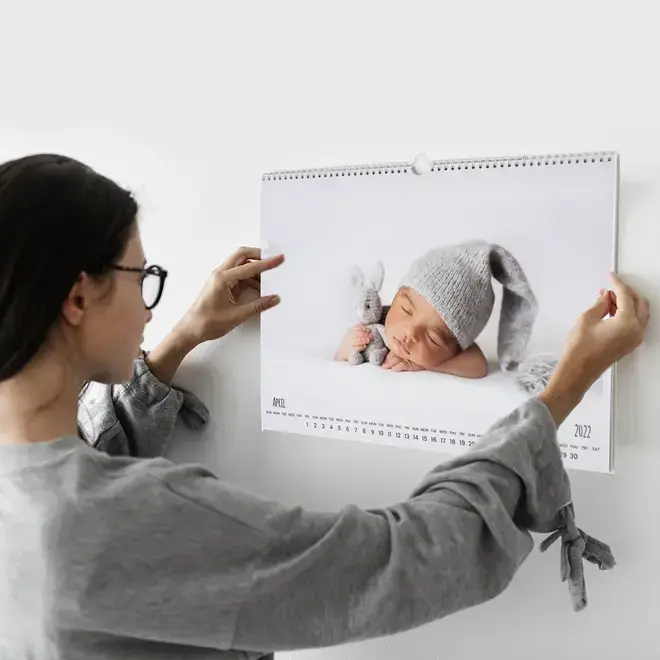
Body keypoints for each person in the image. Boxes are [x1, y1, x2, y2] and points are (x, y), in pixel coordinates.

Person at [0, 154, 649, 660]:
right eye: (142, 278)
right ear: (79, 298)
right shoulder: (119, 520)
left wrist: (181, 339)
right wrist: (565, 386)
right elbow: (405, 559)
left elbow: (79, 472)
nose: (149, 303)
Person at [335, 241, 540, 378]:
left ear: (456, 348)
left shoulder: (456, 353)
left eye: (433, 338)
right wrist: (346, 348)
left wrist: (425, 364)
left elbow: (479, 366)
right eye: (406, 309)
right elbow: (339, 357)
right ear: (397, 296)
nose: (410, 333)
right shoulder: (376, 322)